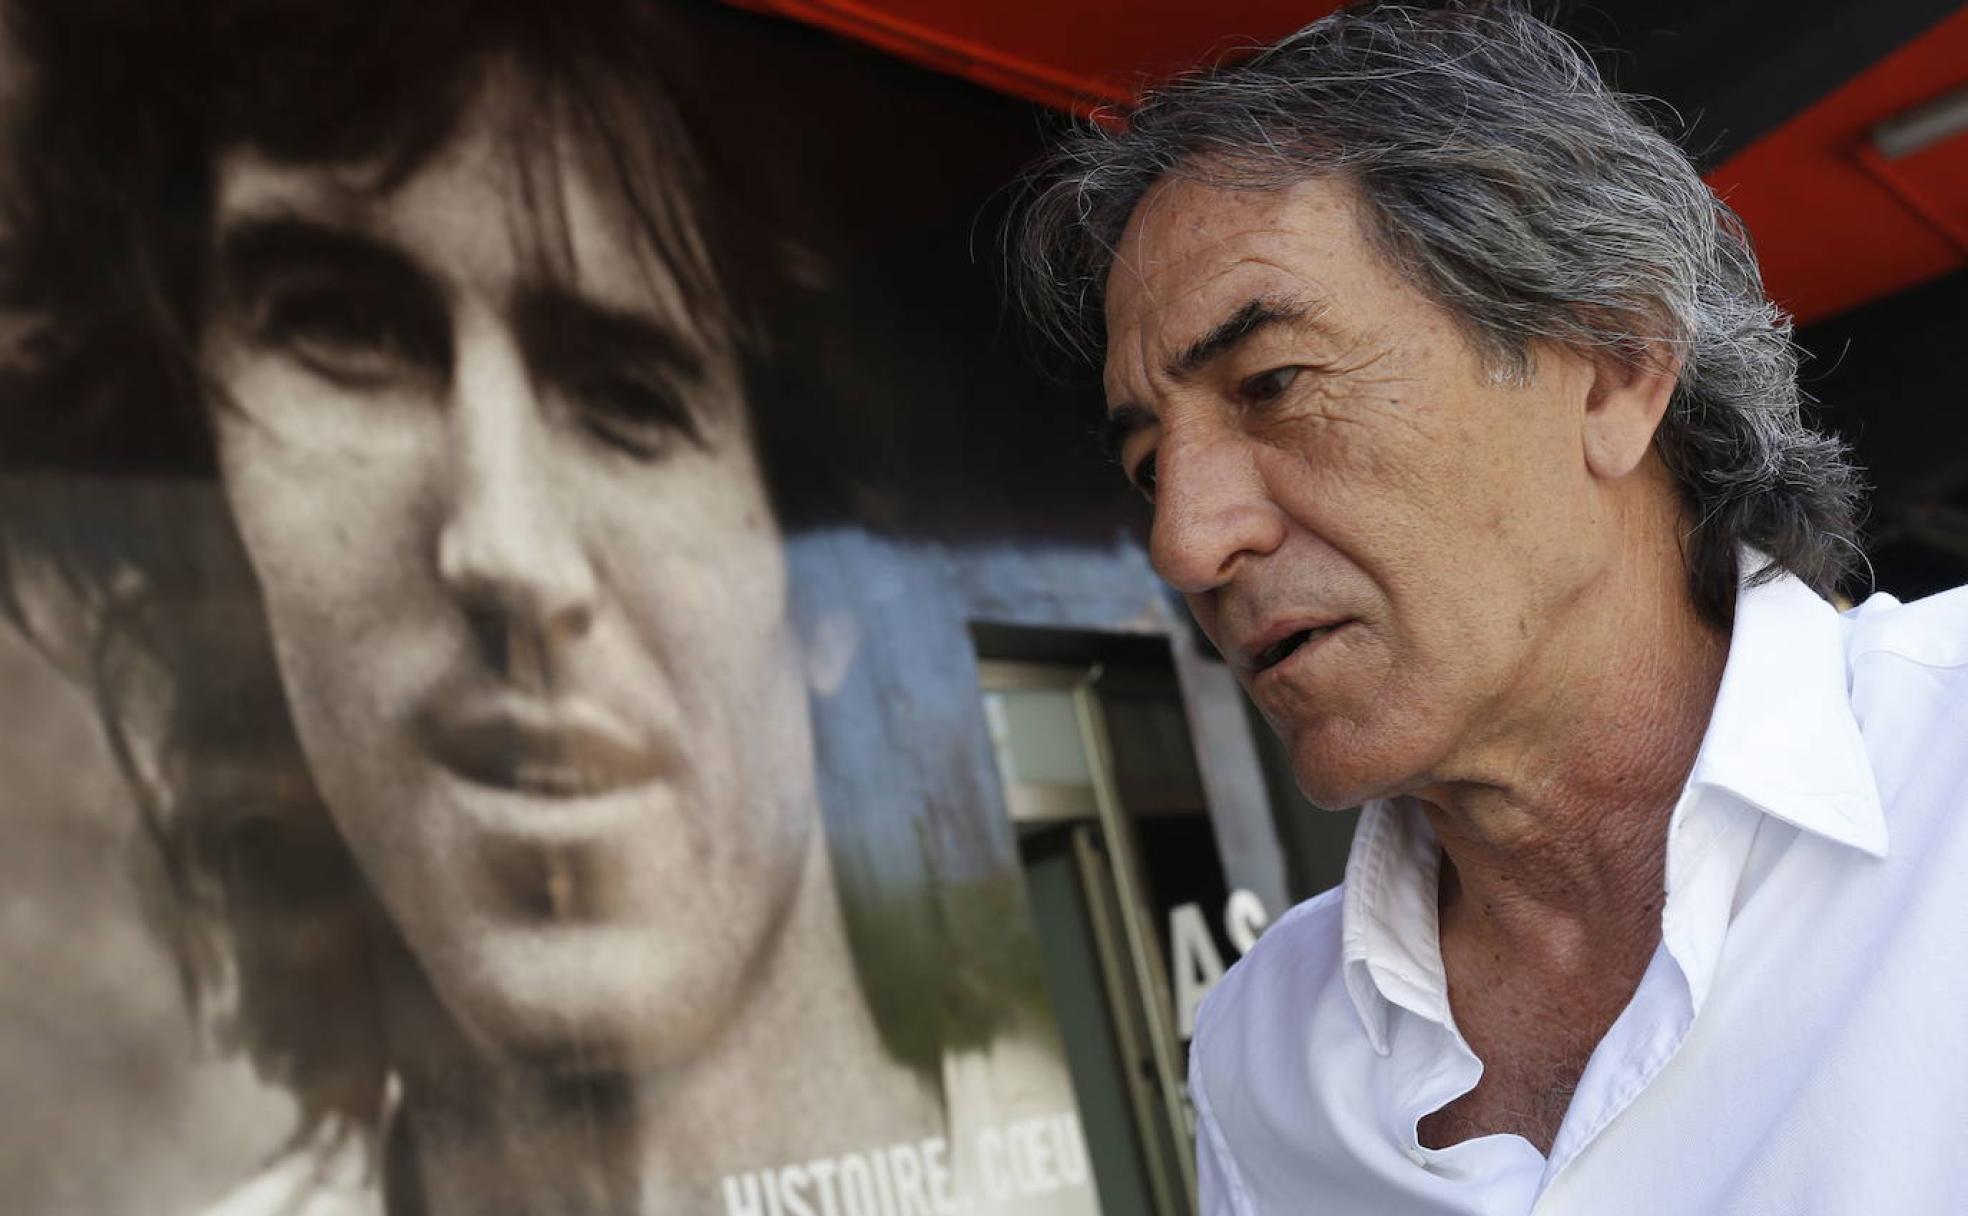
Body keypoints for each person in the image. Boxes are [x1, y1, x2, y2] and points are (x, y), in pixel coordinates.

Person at [0, 2, 1092, 1214]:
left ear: (828, 563)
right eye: (349, 329)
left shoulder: (1145, 1156)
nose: (502, 547)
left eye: (630, 395)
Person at [1012, 3, 1968, 1213]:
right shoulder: (1269, 1052)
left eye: (1273, 383)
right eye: (1150, 465)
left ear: (1613, 363)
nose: (1187, 539)